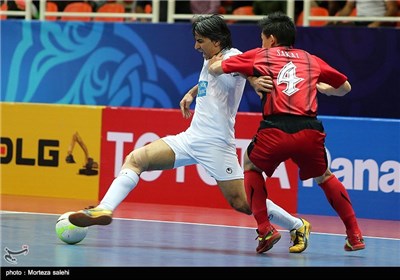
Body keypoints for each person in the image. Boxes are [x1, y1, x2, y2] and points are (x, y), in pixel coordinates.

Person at [68, 14, 311, 254]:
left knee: (243, 203)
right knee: (136, 159)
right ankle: (104, 208)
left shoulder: (233, 56)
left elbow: (245, 70)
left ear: (216, 41)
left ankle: (298, 225)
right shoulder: (210, 58)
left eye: (200, 40)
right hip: (190, 138)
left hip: (217, 145)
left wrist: (255, 81)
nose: (196, 46)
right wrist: (192, 92)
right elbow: (211, 78)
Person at [209, 11, 365, 253]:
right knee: (324, 176)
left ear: (271, 38)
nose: (261, 42)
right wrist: (322, 88)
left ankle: (265, 229)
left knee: (250, 165)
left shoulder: (262, 55)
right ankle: (354, 234)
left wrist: (250, 75)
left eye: (262, 38)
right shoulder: (311, 59)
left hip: (276, 129)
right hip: (309, 131)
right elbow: (345, 87)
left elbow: (217, 68)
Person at [334, 0, 398, 27]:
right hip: (360, 22)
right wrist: (334, 20)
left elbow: (393, 9)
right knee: (335, 27)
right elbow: (348, 7)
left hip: (379, 22)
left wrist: (377, 23)